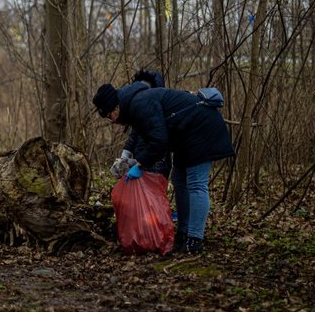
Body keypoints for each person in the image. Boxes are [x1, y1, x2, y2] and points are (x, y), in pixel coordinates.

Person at [93, 78, 234, 254]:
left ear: (115, 108)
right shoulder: (134, 106)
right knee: (179, 180)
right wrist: (132, 162)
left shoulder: (139, 104)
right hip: (184, 136)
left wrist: (140, 165)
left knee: (196, 183)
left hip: (201, 129)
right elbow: (156, 139)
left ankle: (195, 239)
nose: (113, 121)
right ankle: (184, 232)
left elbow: (159, 141)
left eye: (109, 116)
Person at [109, 70, 171, 179]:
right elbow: (133, 135)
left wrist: (138, 163)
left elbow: (159, 142)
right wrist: (124, 158)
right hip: (141, 161)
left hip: (156, 164)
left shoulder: (160, 111)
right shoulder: (137, 113)